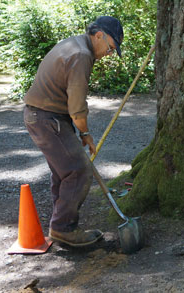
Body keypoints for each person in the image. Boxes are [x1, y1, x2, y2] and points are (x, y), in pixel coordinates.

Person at [23, 16, 124, 247]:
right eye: (110, 48)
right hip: (47, 118)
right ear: (99, 35)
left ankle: (59, 224)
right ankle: (63, 229)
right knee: (79, 170)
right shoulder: (82, 55)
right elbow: (77, 109)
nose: (108, 54)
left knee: (63, 172)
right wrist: (85, 134)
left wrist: (78, 131)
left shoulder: (75, 44)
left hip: (43, 116)